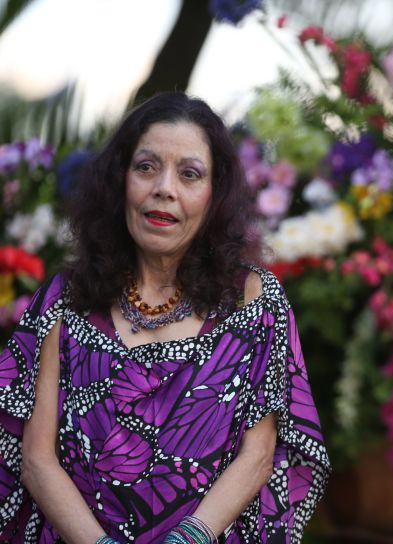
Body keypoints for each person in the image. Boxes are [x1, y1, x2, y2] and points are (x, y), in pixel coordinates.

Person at [0, 92, 330, 543]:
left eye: (189, 174)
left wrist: (189, 537)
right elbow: (37, 457)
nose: (165, 189)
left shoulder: (253, 301)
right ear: (120, 180)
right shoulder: (65, 299)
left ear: (215, 196)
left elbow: (259, 453)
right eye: (146, 167)